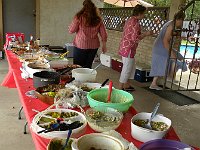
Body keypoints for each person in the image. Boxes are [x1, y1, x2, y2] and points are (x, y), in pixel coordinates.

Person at [149, 11, 187, 90]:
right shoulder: (171, 26)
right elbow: (165, 41)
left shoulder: (172, 23)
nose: (182, 23)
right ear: (179, 19)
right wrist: (171, 54)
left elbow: (172, 36)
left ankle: (169, 77)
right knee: (170, 59)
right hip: (161, 47)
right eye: (182, 21)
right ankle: (156, 83)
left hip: (161, 46)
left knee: (177, 57)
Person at [118, 4, 153, 91]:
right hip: (129, 49)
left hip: (125, 47)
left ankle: (127, 85)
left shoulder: (130, 20)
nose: (144, 15)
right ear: (140, 13)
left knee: (131, 67)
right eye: (144, 13)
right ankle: (120, 88)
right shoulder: (135, 23)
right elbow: (135, 39)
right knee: (126, 69)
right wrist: (146, 34)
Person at [69, 0, 107, 68]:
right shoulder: (98, 19)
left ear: (84, 7)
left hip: (80, 45)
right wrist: (104, 45)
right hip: (94, 47)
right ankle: (87, 78)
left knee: (77, 67)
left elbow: (71, 30)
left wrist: (70, 27)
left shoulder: (79, 17)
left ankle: (78, 78)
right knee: (88, 66)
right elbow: (104, 33)